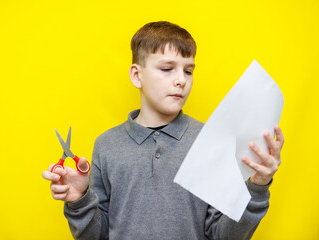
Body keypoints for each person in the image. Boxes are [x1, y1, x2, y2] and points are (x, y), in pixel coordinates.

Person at [42, 21, 284, 240]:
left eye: (188, 71)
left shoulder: (210, 140)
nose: (181, 80)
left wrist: (258, 186)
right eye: (167, 69)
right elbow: (97, 236)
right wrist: (79, 201)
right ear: (137, 76)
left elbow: (223, 236)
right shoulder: (106, 145)